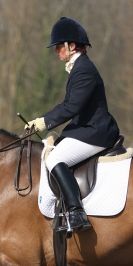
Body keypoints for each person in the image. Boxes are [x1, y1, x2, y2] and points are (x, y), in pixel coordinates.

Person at [25, 17, 120, 232]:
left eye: (59, 46)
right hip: (87, 129)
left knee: (55, 158)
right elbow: (68, 104)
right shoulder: (78, 67)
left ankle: (76, 213)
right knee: (56, 149)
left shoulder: (84, 69)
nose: (56, 51)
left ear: (71, 46)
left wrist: (43, 122)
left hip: (96, 132)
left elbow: (71, 107)